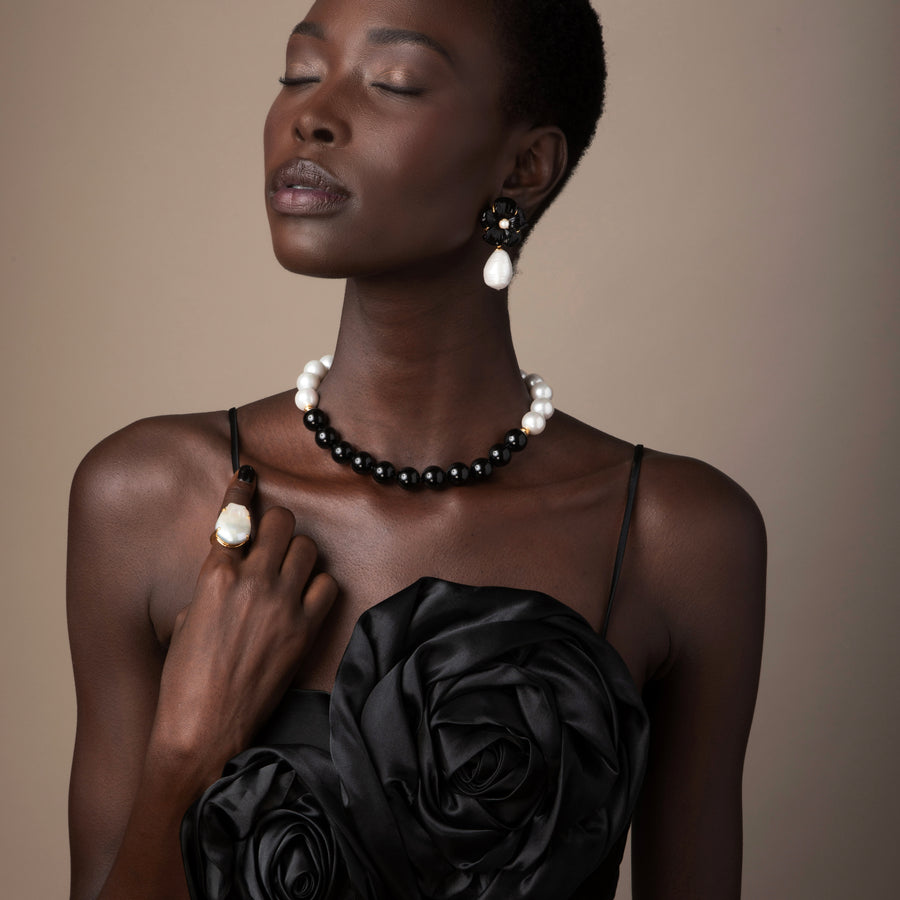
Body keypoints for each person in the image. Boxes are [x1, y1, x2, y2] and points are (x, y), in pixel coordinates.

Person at [66, 1, 766, 898]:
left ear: (524, 166)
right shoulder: (148, 497)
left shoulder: (680, 536)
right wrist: (187, 751)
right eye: (298, 72)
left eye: (393, 82)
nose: (309, 114)